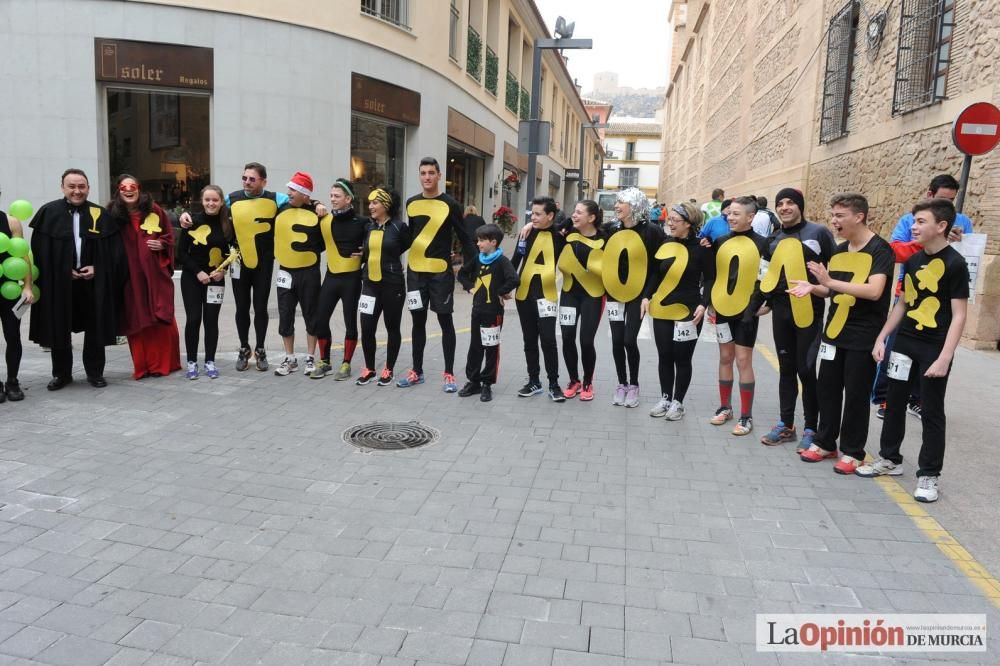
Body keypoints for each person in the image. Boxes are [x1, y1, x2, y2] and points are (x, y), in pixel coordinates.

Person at [856, 198, 968, 503]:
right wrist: (882, 338)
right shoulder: (913, 261)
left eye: (920, 222)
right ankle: (889, 459)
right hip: (904, 342)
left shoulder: (955, 264)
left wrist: (945, 357)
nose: (913, 227)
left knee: (932, 410)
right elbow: (903, 304)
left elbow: (959, 314)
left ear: (941, 226)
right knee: (894, 401)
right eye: (914, 221)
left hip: (934, 347)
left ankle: (929, 474)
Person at [788, 194, 893, 473]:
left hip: (863, 334)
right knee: (828, 390)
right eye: (832, 215)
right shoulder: (840, 249)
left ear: (858, 217)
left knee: (856, 394)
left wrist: (828, 281)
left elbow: (874, 291)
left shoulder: (880, 250)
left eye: (839, 216)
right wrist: (814, 288)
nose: (833, 221)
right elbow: (832, 289)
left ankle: (853, 451)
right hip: (833, 333)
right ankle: (825, 443)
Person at [871, 174, 974, 418]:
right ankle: (886, 397)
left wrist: (957, 243)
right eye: (942, 198)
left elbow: (969, 255)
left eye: (952, 199)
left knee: (930, 358)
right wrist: (925, 243)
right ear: (930, 194)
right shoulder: (911, 221)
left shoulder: (963, 223)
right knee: (895, 349)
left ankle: (918, 399)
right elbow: (895, 249)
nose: (948, 204)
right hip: (910, 296)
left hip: (942, 301)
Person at [181, 162, 289, 372]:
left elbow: (297, 202)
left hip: (263, 263)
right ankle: (244, 348)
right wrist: (185, 214)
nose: (247, 182)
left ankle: (260, 349)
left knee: (260, 308)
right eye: (244, 178)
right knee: (241, 308)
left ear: (263, 181)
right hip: (238, 263)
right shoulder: (232, 198)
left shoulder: (277, 199)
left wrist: (316, 204)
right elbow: (209, 208)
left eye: (252, 179)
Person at [29, 169, 127, 389]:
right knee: (59, 324)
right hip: (60, 283)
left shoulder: (100, 214)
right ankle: (62, 374)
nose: (77, 191)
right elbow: (40, 252)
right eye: (72, 186)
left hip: (93, 282)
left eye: (81, 186)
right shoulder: (48, 212)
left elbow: (115, 253)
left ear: (88, 188)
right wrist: (62, 270)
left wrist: (98, 268)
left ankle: (94, 372)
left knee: (95, 325)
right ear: (63, 187)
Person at [758, 187, 837, 448]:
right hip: (781, 312)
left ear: (800, 206)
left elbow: (836, 270)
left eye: (790, 202)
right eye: (780, 203)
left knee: (806, 369)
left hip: (809, 311)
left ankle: (812, 428)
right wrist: (765, 302)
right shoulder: (774, 238)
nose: (784, 207)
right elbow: (768, 275)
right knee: (786, 369)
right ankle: (786, 424)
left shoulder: (819, 233)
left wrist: (827, 290)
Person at [397, 158, 476, 391]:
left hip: (440, 275)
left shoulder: (450, 203)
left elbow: (464, 238)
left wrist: (476, 269)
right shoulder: (412, 203)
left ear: (439, 175)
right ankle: (416, 371)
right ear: (419, 175)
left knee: (445, 321)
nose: (427, 177)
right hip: (415, 274)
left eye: (431, 172)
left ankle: (449, 374)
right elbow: (409, 237)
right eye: (423, 173)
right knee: (417, 322)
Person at [643, 202, 713, 421]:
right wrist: (646, 296)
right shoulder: (665, 244)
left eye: (674, 220)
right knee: (665, 356)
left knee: (682, 358)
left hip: (689, 311)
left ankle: (678, 402)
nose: (669, 223)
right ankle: (665, 398)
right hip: (663, 309)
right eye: (669, 219)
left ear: (688, 224)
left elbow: (711, 278)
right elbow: (655, 273)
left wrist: (704, 303)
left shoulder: (702, 247)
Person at [707, 196, 769, 436]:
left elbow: (767, 278)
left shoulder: (764, 244)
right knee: (725, 357)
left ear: (750, 217)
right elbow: (713, 274)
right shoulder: (720, 241)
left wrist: (766, 304)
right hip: (723, 307)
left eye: (736, 214)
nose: (730, 217)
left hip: (747, 311)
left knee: (743, 360)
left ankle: (746, 417)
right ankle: (725, 408)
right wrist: (711, 302)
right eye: (729, 214)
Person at [108, 174, 181, 380]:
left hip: (154, 274)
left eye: (133, 186)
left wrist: (163, 244)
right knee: (135, 317)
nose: (129, 190)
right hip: (129, 276)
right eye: (124, 187)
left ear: (139, 189)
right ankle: (143, 365)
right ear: (118, 191)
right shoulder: (112, 215)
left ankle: (165, 364)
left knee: (160, 316)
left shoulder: (154, 210)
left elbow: (168, 235)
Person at [605, 187, 665, 407]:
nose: (616, 205)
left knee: (629, 340)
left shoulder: (652, 232)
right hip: (615, 294)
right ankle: (622, 383)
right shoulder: (611, 228)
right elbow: (585, 230)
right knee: (617, 341)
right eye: (617, 202)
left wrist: (648, 295)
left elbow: (659, 266)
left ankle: (634, 385)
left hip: (639, 295)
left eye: (622, 202)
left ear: (635, 205)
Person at [513, 196, 567, 402]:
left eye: (537, 214)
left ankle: (554, 383)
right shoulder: (526, 234)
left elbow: (575, 222)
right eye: (531, 214)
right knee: (529, 340)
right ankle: (534, 381)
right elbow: (514, 262)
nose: (533, 218)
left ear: (550, 216)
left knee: (548, 340)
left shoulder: (560, 235)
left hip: (547, 296)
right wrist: (504, 288)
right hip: (524, 295)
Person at [176, 185, 232, 380]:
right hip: (192, 278)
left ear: (221, 202)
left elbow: (232, 253)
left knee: (211, 321)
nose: (211, 203)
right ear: (202, 200)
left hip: (216, 280)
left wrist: (223, 270)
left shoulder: (227, 224)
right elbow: (181, 253)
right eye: (207, 199)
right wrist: (198, 272)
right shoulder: (192, 221)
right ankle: (192, 362)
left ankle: (210, 361)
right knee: (193, 320)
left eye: (215, 200)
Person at [458, 223, 519, 402]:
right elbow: (462, 274)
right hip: (477, 310)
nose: (478, 244)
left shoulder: (501, 261)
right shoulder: (478, 259)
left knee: (491, 348)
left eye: (482, 241)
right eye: (478, 240)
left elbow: (514, 279)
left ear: (493, 242)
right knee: (475, 346)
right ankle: (473, 381)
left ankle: (487, 383)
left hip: (493, 312)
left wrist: (501, 291)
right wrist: (470, 287)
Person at [272, 172, 325, 377]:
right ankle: (290, 358)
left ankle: (311, 357)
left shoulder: (317, 213)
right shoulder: (280, 209)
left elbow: (323, 242)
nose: (289, 193)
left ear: (304, 194)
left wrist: (318, 203)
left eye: (293, 190)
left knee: (311, 313)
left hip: (309, 272)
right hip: (285, 271)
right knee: (285, 314)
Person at [312, 179, 365, 380]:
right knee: (320, 319)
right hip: (331, 277)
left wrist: (365, 253)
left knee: (350, 322)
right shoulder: (325, 219)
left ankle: (346, 363)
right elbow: (305, 200)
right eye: (331, 196)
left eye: (337, 196)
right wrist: (316, 203)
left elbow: (376, 243)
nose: (332, 199)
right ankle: (324, 361)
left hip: (351, 279)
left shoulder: (362, 222)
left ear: (348, 199)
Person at [357, 188, 411, 386]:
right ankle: (369, 368)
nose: (370, 206)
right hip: (369, 285)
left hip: (392, 285)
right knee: (367, 327)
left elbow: (403, 246)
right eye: (370, 203)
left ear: (386, 205)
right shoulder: (368, 227)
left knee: (392, 327)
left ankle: (389, 368)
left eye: (374, 203)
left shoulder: (399, 227)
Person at [557, 200, 606, 401]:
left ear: (592, 218)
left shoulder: (606, 238)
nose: (573, 215)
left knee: (586, 340)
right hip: (569, 293)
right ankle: (573, 380)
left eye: (578, 212)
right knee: (567, 337)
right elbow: (544, 228)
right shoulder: (567, 234)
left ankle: (587, 382)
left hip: (593, 296)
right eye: (573, 211)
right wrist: (528, 225)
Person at [0, 194, 35, 401]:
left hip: (10, 289)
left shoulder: (11, 221)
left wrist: (28, 286)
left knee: (12, 336)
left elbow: (22, 256)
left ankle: (13, 382)